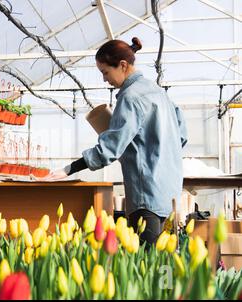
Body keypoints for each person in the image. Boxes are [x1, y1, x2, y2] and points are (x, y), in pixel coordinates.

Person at [41, 37, 188, 246]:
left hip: (147, 196)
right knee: (164, 268)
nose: (104, 79)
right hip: (169, 192)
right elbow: (181, 135)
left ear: (123, 65)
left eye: (105, 72)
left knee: (147, 265)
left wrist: (68, 169)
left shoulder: (131, 97)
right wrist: (154, 151)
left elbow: (111, 146)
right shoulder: (159, 93)